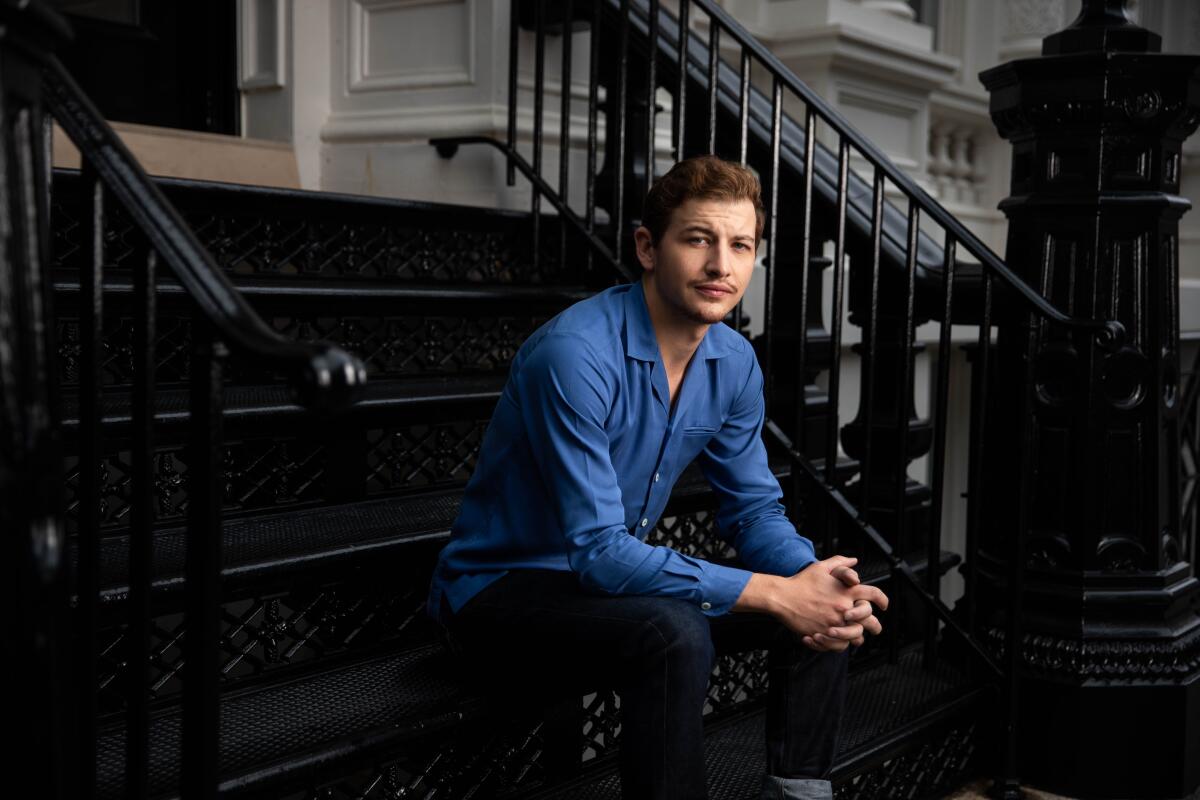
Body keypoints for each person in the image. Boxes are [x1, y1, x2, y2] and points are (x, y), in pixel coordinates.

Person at [426, 155, 888, 800]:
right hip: (502, 593)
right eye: (698, 239)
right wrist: (776, 593)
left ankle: (799, 793)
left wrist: (810, 582)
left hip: (605, 588)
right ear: (648, 246)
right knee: (674, 632)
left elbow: (753, 511)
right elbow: (600, 554)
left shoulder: (733, 361)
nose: (721, 266)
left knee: (826, 602)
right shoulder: (575, 355)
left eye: (740, 245)